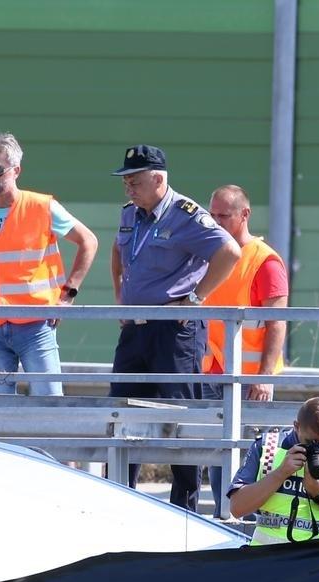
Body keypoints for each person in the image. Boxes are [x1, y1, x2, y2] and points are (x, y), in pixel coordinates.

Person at [109, 145, 241, 511]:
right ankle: (118, 499)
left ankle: (184, 509)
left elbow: (229, 252)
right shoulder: (131, 214)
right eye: (126, 182)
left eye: (134, 181)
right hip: (135, 329)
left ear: (158, 178)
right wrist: (122, 296)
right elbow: (118, 253)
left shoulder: (185, 215)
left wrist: (195, 299)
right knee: (122, 411)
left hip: (173, 329)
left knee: (179, 414)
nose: (128, 188)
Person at [0, 132, 98, 398]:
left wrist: (68, 296)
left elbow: (88, 241)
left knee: (48, 399)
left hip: (36, 323)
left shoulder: (42, 207)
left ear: (16, 170)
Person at [202, 184, 290, 516]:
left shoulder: (265, 262)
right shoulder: (214, 254)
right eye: (212, 215)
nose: (215, 221)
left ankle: (250, 525)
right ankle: (225, 518)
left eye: (223, 215)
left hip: (251, 382)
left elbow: (276, 323)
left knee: (256, 461)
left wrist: (265, 377)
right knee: (218, 457)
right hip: (214, 373)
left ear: (244, 215)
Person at [226, 397, 319, 545]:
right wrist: (280, 473)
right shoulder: (267, 447)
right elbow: (237, 508)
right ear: (296, 426)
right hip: (267, 560)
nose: (317, 448)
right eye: (310, 442)